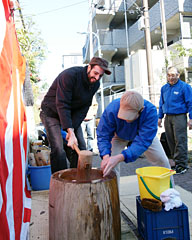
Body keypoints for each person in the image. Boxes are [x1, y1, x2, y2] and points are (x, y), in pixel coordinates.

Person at [40, 57, 111, 174]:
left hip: (71, 115)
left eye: (100, 75)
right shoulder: (69, 76)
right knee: (58, 149)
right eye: (95, 73)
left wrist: (72, 129)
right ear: (89, 67)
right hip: (51, 113)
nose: (97, 77)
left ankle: (75, 177)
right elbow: (62, 104)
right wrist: (70, 131)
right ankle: (60, 182)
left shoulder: (95, 84)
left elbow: (84, 107)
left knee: (80, 147)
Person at [96, 90, 172, 185]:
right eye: (123, 115)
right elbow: (103, 134)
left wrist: (121, 157)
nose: (126, 119)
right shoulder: (112, 109)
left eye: (130, 116)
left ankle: (170, 194)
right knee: (110, 166)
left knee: (162, 161)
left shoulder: (150, 111)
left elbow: (143, 141)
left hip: (143, 136)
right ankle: (113, 197)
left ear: (141, 110)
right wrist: (106, 156)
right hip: (119, 136)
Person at [158, 66, 192, 174]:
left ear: (178, 75)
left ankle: (182, 165)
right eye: (169, 75)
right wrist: (160, 117)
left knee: (180, 141)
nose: (171, 77)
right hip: (168, 117)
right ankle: (176, 163)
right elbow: (161, 103)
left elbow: (190, 103)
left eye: (173, 75)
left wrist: (191, 118)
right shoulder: (164, 88)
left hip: (179, 116)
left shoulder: (184, 87)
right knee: (170, 141)